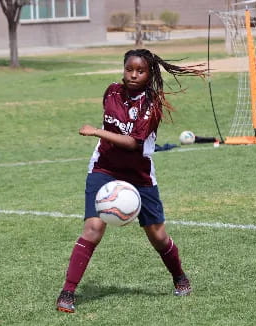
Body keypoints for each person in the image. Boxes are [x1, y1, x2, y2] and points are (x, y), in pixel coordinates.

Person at [55, 49, 206, 313]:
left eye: (140, 71)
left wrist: (96, 131)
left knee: (158, 236)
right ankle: (67, 292)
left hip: (139, 174)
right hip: (104, 168)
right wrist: (102, 136)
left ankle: (180, 277)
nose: (134, 75)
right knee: (93, 228)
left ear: (149, 74)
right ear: (123, 69)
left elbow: (133, 143)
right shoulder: (111, 91)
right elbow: (117, 128)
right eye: (129, 69)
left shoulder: (151, 104)